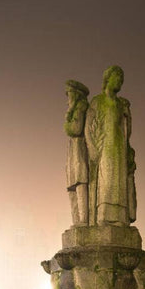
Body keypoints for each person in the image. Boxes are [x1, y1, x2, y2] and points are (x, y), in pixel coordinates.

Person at [84, 65, 136, 226]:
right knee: (106, 181)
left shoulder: (121, 104)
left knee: (119, 183)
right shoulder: (97, 101)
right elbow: (88, 126)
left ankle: (120, 217)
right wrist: (93, 148)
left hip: (119, 146)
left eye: (122, 80)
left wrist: (128, 115)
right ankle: (104, 217)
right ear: (108, 79)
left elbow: (128, 130)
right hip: (105, 146)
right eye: (117, 78)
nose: (120, 82)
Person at [64, 80, 89, 225]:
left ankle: (83, 220)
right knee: (72, 187)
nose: (68, 99)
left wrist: (69, 112)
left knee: (80, 183)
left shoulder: (81, 107)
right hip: (73, 151)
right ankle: (77, 221)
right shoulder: (75, 109)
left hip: (80, 149)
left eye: (69, 94)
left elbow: (75, 129)